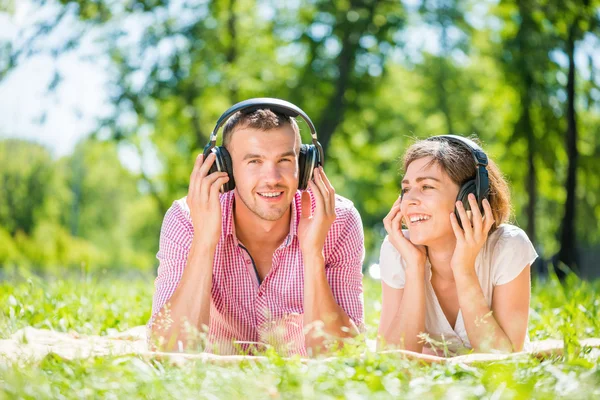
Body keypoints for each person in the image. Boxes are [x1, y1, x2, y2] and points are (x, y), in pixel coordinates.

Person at [148, 98, 365, 356]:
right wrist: (204, 242)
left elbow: (342, 356)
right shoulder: (186, 219)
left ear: (305, 165)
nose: (272, 178)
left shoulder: (338, 220)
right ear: (225, 167)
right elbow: (168, 351)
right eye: (254, 162)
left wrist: (313, 254)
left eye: (284, 160)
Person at [378, 135, 537, 356]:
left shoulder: (508, 246)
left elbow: (502, 359)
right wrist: (415, 267)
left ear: (468, 197)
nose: (410, 200)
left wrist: (463, 269)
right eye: (406, 189)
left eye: (426, 186)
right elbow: (391, 359)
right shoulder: (397, 249)